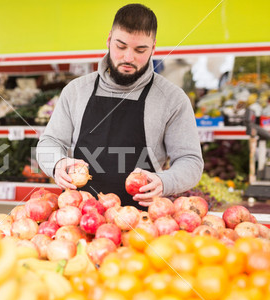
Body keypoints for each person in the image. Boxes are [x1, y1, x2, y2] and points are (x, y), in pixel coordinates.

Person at [36, 3, 203, 209]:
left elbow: (191, 161)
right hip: (79, 217)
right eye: (121, 46)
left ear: (153, 48)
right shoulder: (77, 90)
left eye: (140, 50)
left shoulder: (172, 99)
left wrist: (165, 182)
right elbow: (49, 142)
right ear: (108, 40)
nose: (128, 58)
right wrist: (57, 164)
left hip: (141, 224)